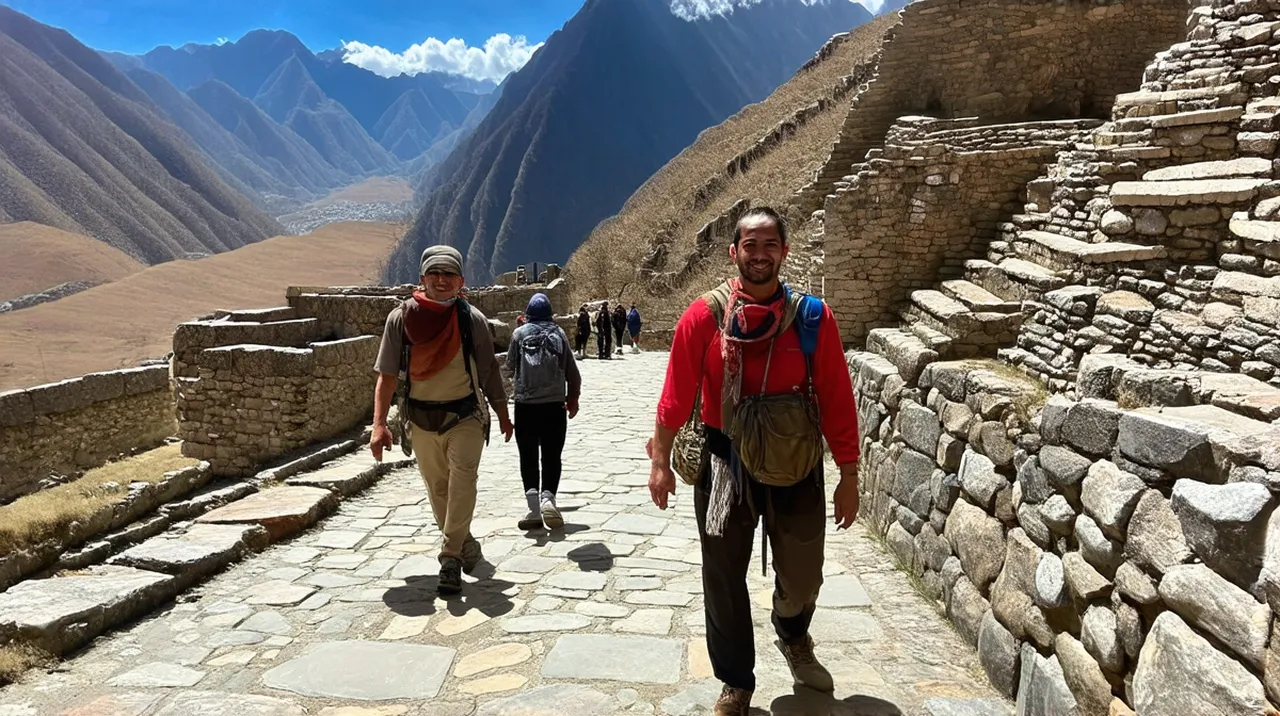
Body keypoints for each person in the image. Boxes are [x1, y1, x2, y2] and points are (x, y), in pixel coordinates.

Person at [646, 207, 861, 715]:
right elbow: (675, 395)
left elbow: (836, 398)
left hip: (798, 462)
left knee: (804, 572)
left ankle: (791, 631)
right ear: (734, 252)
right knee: (723, 574)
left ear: (784, 252)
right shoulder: (703, 317)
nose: (759, 255)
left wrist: (848, 474)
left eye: (769, 245)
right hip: (726, 467)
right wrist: (659, 460)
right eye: (750, 245)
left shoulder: (812, 318)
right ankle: (736, 681)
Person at [370, 245, 513, 596]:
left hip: (464, 415)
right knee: (438, 489)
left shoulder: (471, 320)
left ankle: (449, 557)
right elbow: (387, 375)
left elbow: (489, 370)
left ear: (461, 281)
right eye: (435, 273)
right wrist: (379, 424)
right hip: (420, 419)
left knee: (462, 482)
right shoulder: (401, 320)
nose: (442, 280)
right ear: (422, 279)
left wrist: (502, 412)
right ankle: (463, 543)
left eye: (449, 274)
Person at [506, 293, 581, 531]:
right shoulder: (558, 334)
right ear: (550, 314)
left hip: (525, 406)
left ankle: (533, 510)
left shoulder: (519, 334)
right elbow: (573, 374)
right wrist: (573, 400)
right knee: (551, 455)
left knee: (527, 456)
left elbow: (509, 367)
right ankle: (548, 498)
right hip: (554, 406)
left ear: (528, 315)